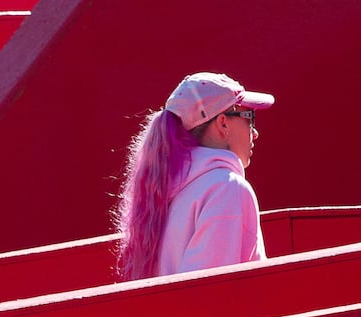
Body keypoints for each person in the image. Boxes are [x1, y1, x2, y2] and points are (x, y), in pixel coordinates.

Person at [114, 72, 276, 281]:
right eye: (250, 117)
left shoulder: (165, 188)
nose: (255, 133)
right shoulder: (226, 188)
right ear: (223, 124)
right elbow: (208, 296)